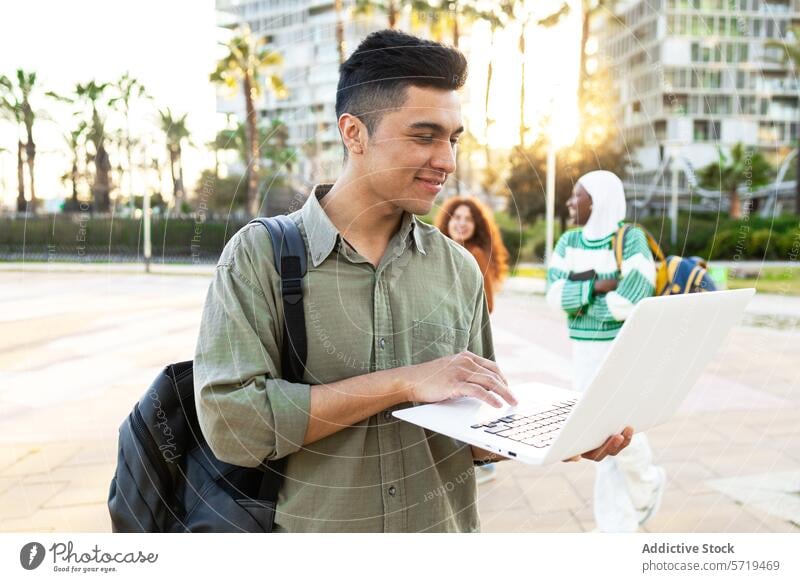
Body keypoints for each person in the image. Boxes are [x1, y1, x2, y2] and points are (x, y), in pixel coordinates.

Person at [194, 30, 633, 533]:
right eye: (424, 136)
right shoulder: (259, 257)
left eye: (452, 139)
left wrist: (561, 438)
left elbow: (471, 434)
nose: (446, 160)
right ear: (354, 133)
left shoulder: (458, 269)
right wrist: (403, 382)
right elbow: (233, 426)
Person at [546, 170, 666, 532]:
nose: (569, 203)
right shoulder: (568, 242)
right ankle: (642, 490)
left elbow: (632, 298)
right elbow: (554, 297)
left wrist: (581, 299)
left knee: (613, 429)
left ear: (596, 201)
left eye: (576, 196)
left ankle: (622, 519)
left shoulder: (630, 239)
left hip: (622, 348)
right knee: (606, 433)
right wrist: (601, 285)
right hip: (583, 352)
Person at [435, 196, 509, 484]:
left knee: (467, 401)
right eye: (457, 218)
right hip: (451, 341)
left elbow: (486, 305)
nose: (462, 223)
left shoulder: (474, 254)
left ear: (476, 226)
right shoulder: (442, 252)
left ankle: (483, 463)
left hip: (462, 341)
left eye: (468, 219)